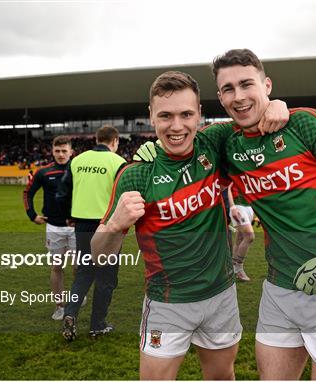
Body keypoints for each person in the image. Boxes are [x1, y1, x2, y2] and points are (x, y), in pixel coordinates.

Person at [91, 71, 288, 379]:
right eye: (166, 116)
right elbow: (99, 254)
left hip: (221, 295)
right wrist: (115, 224)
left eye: (186, 114)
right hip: (167, 303)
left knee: (222, 375)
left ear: (199, 115)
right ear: (151, 117)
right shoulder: (135, 175)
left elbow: (252, 115)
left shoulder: (214, 142)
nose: (177, 126)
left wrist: (276, 104)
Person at [212, 49, 316, 380]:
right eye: (228, 89)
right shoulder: (225, 144)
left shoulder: (303, 123)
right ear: (220, 97)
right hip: (279, 290)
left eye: (247, 84)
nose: (239, 96)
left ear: (267, 85)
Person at [57, 125, 126, 340]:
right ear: (114, 141)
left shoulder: (77, 160)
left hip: (82, 225)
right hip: (107, 225)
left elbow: (63, 190)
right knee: (106, 277)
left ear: (97, 139)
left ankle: (70, 314)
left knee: (85, 272)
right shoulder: (118, 162)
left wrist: (69, 214)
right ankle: (97, 325)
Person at [23, 135, 75, 320]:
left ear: (71, 151)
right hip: (54, 227)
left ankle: (77, 297)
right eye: (57, 151)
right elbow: (28, 193)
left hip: (77, 227)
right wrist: (32, 215)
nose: (61, 154)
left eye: (64, 151)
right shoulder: (43, 172)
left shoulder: (79, 170)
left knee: (80, 266)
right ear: (52, 151)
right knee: (56, 267)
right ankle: (59, 306)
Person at [227, 182, 255, 281]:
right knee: (249, 236)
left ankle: (233, 269)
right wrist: (232, 207)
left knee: (239, 239)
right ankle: (239, 268)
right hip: (238, 207)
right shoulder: (234, 169)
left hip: (249, 207)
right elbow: (227, 188)